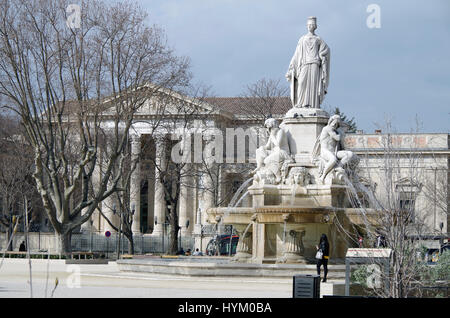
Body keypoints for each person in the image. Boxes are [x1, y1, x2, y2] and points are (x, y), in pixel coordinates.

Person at [286, 16, 330, 109]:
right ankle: (300, 103)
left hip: (315, 63)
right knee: (301, 83)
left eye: (313, 25)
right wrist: (291, 67)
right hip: (304, 63)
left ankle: (313, 104)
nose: (311, 26)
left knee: (313, 85)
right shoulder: (302, 39)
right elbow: (297, 54)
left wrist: (321, 55)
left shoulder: (318, 39)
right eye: (309, 25)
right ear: (307, 26)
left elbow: (326, 50)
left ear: (315, 26)